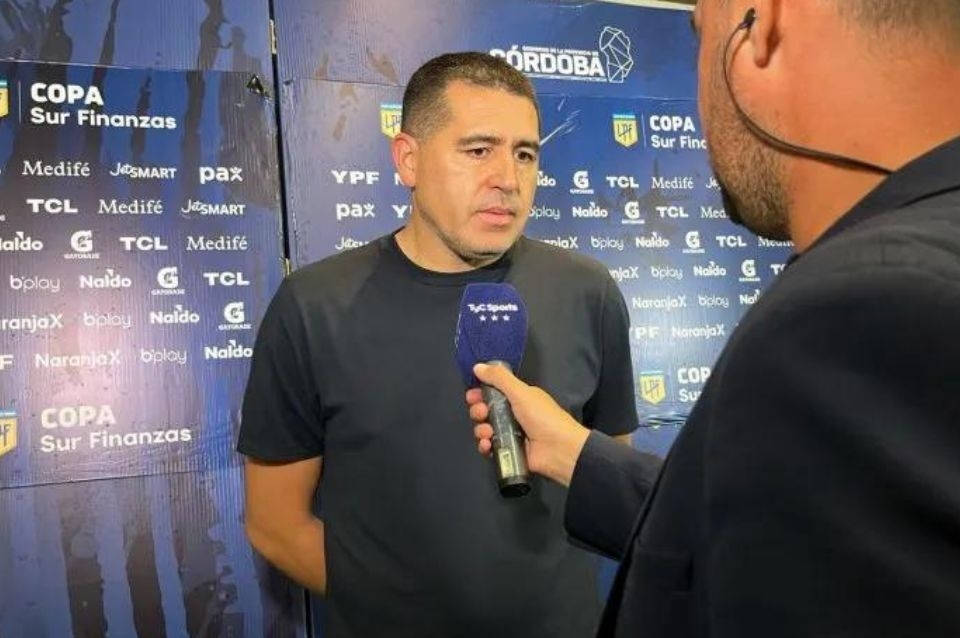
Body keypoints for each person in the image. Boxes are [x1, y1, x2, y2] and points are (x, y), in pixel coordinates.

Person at [467, 0, 960, 635]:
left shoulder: (862, 312)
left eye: (700, 33)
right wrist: (579, 456)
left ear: (765, 25)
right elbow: (784, 537)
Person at [238, 52, 651, 638]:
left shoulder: (589, 291)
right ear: (408, 159)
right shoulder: (312, 306)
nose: (508, 179)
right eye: (478, 150)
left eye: (525, 154)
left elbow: (607, 476)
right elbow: (275, 523)